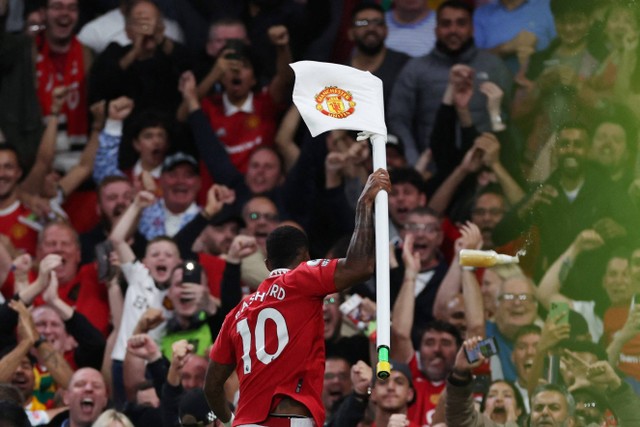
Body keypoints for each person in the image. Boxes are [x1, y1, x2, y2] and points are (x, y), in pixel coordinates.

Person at [204, 169, 391, 427]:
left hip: (245, 422)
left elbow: (212, 386)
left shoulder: (237, 312)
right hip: (290, 420)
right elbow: (361, 267)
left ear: (268, 263)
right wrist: (363, 206)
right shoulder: (302, 279)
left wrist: (229, 419)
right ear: (305, 257)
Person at [387, 0, 512, 165]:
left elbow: (509, 114)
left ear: (472, 28)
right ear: (436, 29)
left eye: (461, 23)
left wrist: (498, 163)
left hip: (484, 167)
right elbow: (398, 119)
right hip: (431, 170)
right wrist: (414, 163)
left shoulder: (493, 66)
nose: (453, 30)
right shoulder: (416, 68)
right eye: (446, 24)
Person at [35, 0, 92, 173]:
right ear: (43, 13)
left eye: (72, 8)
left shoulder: (89, 56)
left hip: (79, 163)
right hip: (34, 162)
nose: (65, 13)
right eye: (57, 7)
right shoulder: (26, 54)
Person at [347, 2, 410, 112]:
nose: (371, 28)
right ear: (351, 33)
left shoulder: (406, 66)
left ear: (386, 30)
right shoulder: (340, 72)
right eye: (362, 23)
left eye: (378, 22)